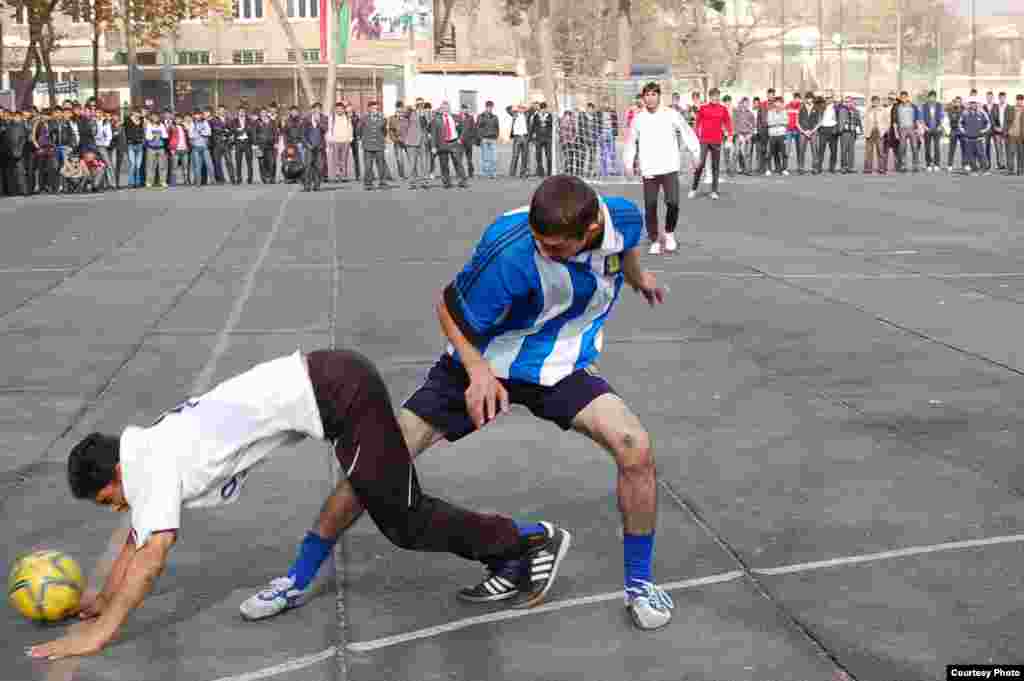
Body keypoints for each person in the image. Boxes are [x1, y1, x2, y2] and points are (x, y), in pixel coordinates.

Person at [244, 175, 676, 632]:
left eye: (553, 247)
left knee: (636, 447)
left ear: (589, 231)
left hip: (559, 365)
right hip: (483, 358)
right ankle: (296, 577)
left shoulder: (621, 217)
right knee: (378, 462)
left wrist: (639, 277)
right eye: (538, 240)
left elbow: (625, 244)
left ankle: (640, 584)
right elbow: (447, 306)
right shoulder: (509, 253)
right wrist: (477, 371)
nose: (542, 250)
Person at [27, 349, 570, 660]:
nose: (117, 507)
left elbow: (152, 554)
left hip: (341, 392)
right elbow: (137, 538)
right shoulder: (144, 451)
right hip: (332, 388)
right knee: (369, 502)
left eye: (109, 499)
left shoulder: (151, 464)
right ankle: (509, 552)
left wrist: (104, 630)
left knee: (405, 519)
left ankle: (528, 539)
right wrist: (103, 596)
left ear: (117, 473)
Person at [626, 81, 699, 255]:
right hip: (649, 169)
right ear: (643, 98)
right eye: (647, 95)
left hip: (669, 167)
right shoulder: (638, 119)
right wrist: (629, 162)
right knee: (650, 206)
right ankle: (654, 239)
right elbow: (630, 142)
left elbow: (687, 132)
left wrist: (695, 154)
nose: (650, 98)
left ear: (659, 96)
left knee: (673, 202)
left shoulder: (671, 114)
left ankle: (669, 233)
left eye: (654, 94)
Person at [691, 87, 733, 199]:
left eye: (717, 96)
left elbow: (728, 122)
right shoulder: (703, 108)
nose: (715, 98)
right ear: (710, 97)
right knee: (700, 165)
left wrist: (730, 134)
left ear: (719, 97)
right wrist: (696, 136)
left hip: (717, 140)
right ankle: (694, 188)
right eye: (713, 96)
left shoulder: (723, 109)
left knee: (715, 166)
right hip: (704, 140)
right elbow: (697, 122)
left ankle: (714, 191)